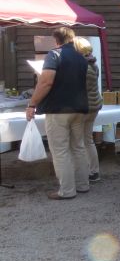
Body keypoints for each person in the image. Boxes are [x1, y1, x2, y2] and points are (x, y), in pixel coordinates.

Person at [26, 27, 89, 200]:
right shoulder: (82, 58)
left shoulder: (54, 55)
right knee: (78, 147)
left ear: (56, 40)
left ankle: (67, 191)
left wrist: (32, 104)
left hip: (58, 110)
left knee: (60, 151)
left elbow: (46, 82)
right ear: (72, 38)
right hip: (80, 108)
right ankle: (83, 185)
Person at [73, 37, 103, 183]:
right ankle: (94, 172)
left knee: (80, 142)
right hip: (94, 106)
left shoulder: (83, 67)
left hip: (85, 108)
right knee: (87, 140)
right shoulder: (92, 64)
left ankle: (86, 172)